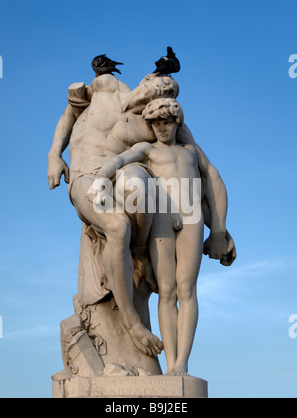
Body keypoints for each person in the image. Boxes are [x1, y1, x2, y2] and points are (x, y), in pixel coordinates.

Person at [47, 71, 236, 358]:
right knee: (118, 226)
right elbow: (72, 109)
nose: (163, 93)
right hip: (87, 175)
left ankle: (138, 257)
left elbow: (199, 176)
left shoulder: (163, 125)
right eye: (159, 86)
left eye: (170, 93)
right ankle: (133, 324)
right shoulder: (107, 86)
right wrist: (54, 154)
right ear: (146, 79)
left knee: (136, 184)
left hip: (145, 193)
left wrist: (219, 229)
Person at [92, 98, 207, 375]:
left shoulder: (191, 150)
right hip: (163, 217)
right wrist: (101, 180)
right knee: (166, 292)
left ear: (177, 122)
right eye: (155, 123)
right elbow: (119, 160)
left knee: (187, 289)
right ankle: (171, 367)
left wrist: (219, 229)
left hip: (191, 214)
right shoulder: (147, 149)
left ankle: (182, 364)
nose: (161, 128)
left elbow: (213, 179)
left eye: (166, 122)